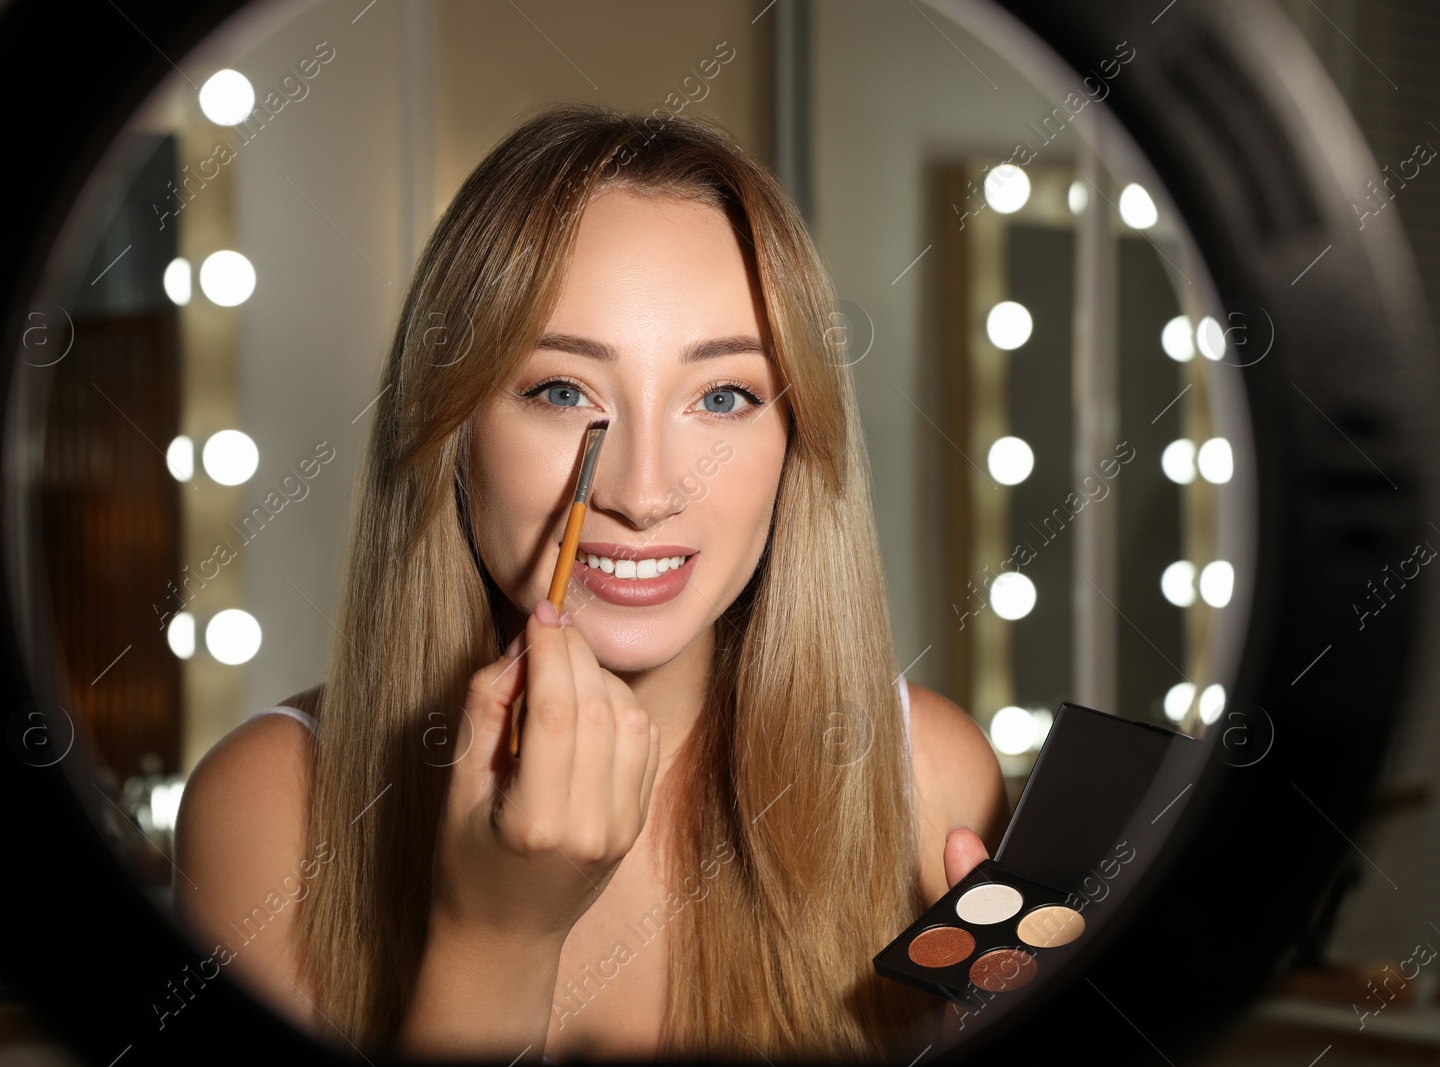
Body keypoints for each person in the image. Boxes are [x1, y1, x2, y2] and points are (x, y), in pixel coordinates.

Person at [172, 102, 1007, 1062]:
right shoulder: (275, 807)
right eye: (562, 391)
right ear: (453, 433)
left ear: (799, 441)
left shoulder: (928, 779)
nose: (646, 492)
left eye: (724, 395)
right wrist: (493, 944)